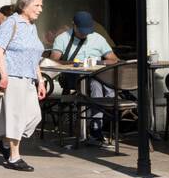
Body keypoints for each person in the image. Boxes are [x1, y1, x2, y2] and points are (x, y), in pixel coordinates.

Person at [0, 0, 47, 171]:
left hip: (28, 79)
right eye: (37, 5)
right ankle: (14, 157)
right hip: (13, 78)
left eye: (41, 5)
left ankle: (5, 143)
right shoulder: (11, 23)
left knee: (34, 117)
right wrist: (4, 76)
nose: (40, 9)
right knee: (15, 118)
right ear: (24, 5)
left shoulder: (32, 27)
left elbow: (34, 56)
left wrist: (40, 80)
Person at [50, 10, 119, 147]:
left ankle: (95, 126)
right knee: (97, 86)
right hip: (72, 77)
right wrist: (74, 63)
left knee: (98, 84)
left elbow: (114, 59)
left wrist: (98, 62)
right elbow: (53, 61)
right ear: (73, 25)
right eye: (82, 30)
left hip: (97, 76)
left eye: (87, 31)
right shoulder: (63, 38)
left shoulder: (97, 38)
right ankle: (95, 128)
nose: (85, 34)